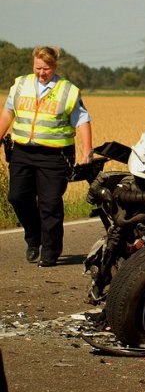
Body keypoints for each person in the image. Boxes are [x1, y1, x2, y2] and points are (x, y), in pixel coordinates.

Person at [0, 46, 92, 267]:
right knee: (17, 197)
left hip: (54, 155)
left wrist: (87, 151)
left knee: (50, 204)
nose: (42, 72)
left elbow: (82, 120)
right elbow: (8, 112)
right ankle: (34, 239)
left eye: (47, 68)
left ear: (55, 66)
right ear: (33, 64)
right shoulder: (21, 84)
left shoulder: (67, 90)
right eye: (38, 67)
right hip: (22, 151)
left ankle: (51, 251)